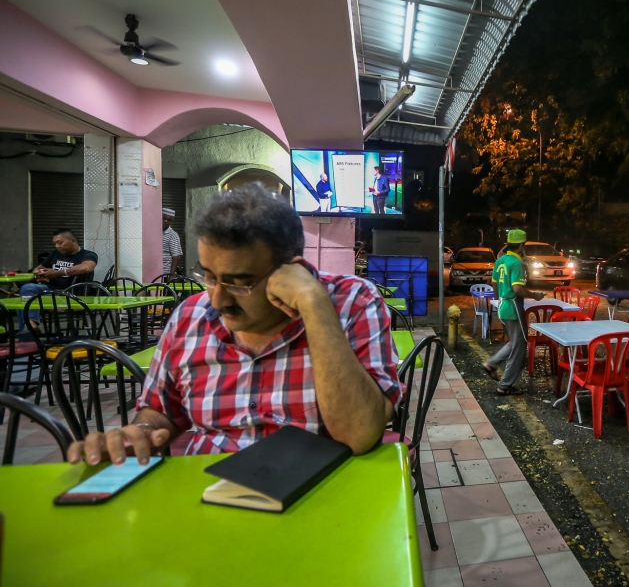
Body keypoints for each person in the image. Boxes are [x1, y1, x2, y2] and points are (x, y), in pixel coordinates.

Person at [67, 183, 401, 466]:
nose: (218, 301)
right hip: (210, 492)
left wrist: (314, 305)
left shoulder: (352, 302)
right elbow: (161, 411)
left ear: (291, 272)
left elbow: (359, 434)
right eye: (209, 277)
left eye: (240, 283)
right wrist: (139, 434)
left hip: (321, 490)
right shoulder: (189, 316)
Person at [483, 229, 545, 395]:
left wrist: (500, 296)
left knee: (515, 342)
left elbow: (494, 283)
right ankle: (504, 385)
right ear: (522, 246)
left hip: (503, 305)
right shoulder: (516, 263)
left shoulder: (501, 260)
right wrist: (535, 295)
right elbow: (517, 288)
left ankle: (492, 364)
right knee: (519, 346)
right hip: (513, 307)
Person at [20, 229, 98, 325]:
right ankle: (31, 325)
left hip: (70, 295)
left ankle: (28, 330)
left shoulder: (87, 255)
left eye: (60, 243)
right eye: (55, 243)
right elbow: (38, 268)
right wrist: (39, 272)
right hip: (50, 291)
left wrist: (57, 273)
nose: (57, 246)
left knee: (25, 303)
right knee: (27, 290)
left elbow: (87, 267)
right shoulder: (56, 254)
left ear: (73, 241)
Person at [162, 208, 183, 278]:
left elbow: (175, 257)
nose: (165, 221)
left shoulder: (173, 235)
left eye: (169, 220)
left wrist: (171, 277)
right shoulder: (153, 232)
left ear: (171, 222)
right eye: (164, 218)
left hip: (165, 274)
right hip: (152, 273)